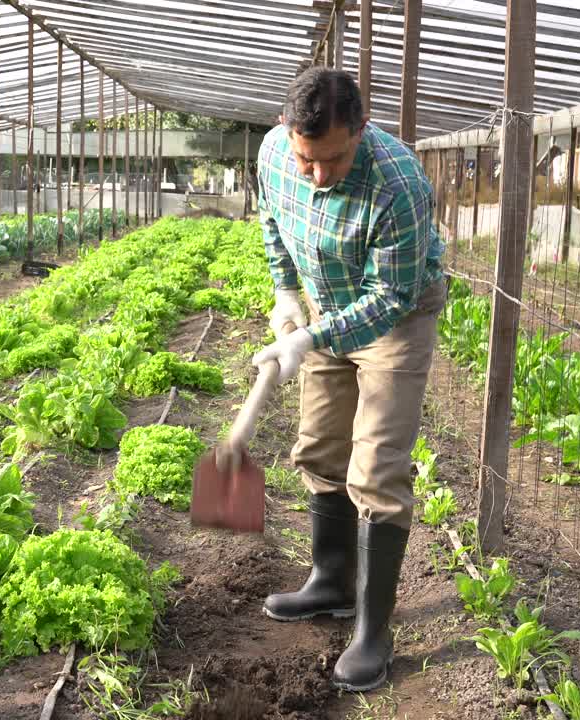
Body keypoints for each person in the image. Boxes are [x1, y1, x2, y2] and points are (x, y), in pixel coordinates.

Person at [241, 67, 448, 692]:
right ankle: (331, 583)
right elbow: (273, 219)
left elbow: (390, 297)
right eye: (309, 160)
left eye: (333, 159)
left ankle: (374, 631)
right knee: (321, 447)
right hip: (327, 308)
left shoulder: (398, 182)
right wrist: (284, 290)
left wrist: (312, 338)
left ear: (360, 130)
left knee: (377, 468)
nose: (319, 175)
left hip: (396, 318)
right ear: (286, 131)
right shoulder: (276, 154)